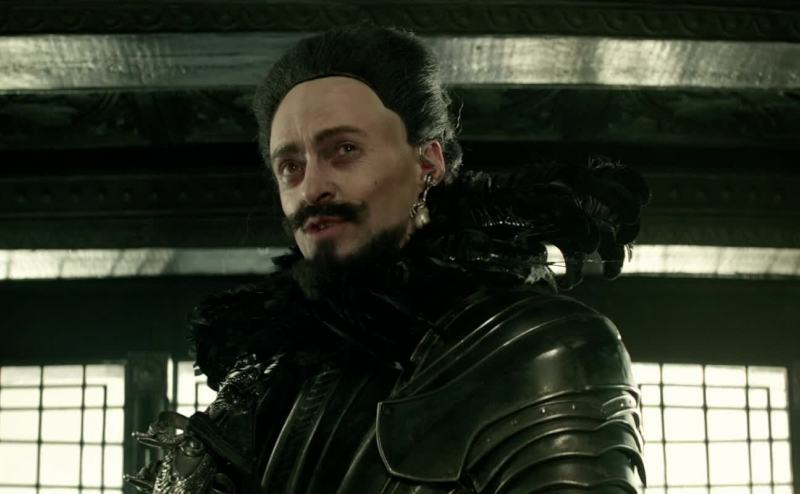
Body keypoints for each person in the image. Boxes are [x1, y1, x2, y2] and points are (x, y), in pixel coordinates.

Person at [126, 25, 649, 493]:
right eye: (290, 166)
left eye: (344, 150)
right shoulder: (268, 376)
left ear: (428, 162)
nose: (312, 187)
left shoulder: (539, 346)